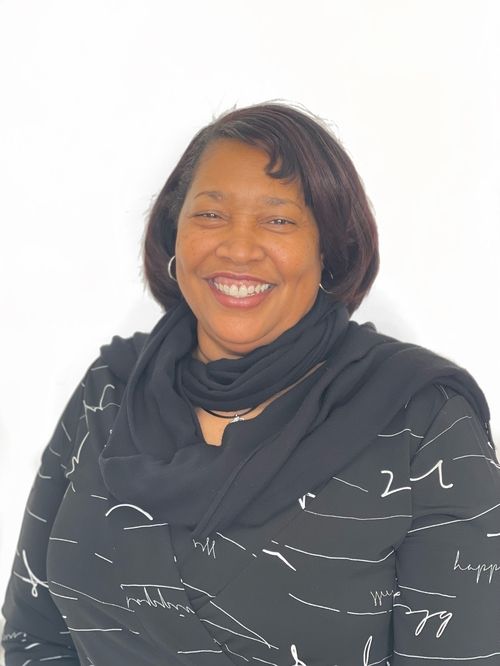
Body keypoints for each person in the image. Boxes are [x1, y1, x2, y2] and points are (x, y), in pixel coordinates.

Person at [2, 100, 499, 666]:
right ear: (173, 235)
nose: (238, 248)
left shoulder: (423, 420)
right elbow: (34, 637)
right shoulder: (110, 392)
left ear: (329, 249)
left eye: (279, 220)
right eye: (211, 214)